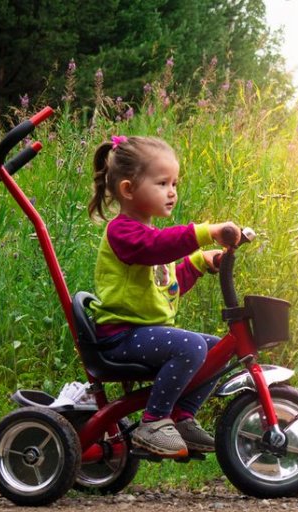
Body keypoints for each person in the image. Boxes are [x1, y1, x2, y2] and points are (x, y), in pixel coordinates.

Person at [87, 135, 240, 457]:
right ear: (129, 190)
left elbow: (167, 284)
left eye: (174, 183)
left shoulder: (151, 235)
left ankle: (181, 416)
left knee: (217, 348)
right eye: (162, 183)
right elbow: (156, 250)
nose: (172, 192)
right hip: (122, 336)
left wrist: (200, 263)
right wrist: (205, 231)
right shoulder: (123, 232)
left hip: (143, 333)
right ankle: (153, 421)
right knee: (191, 345)